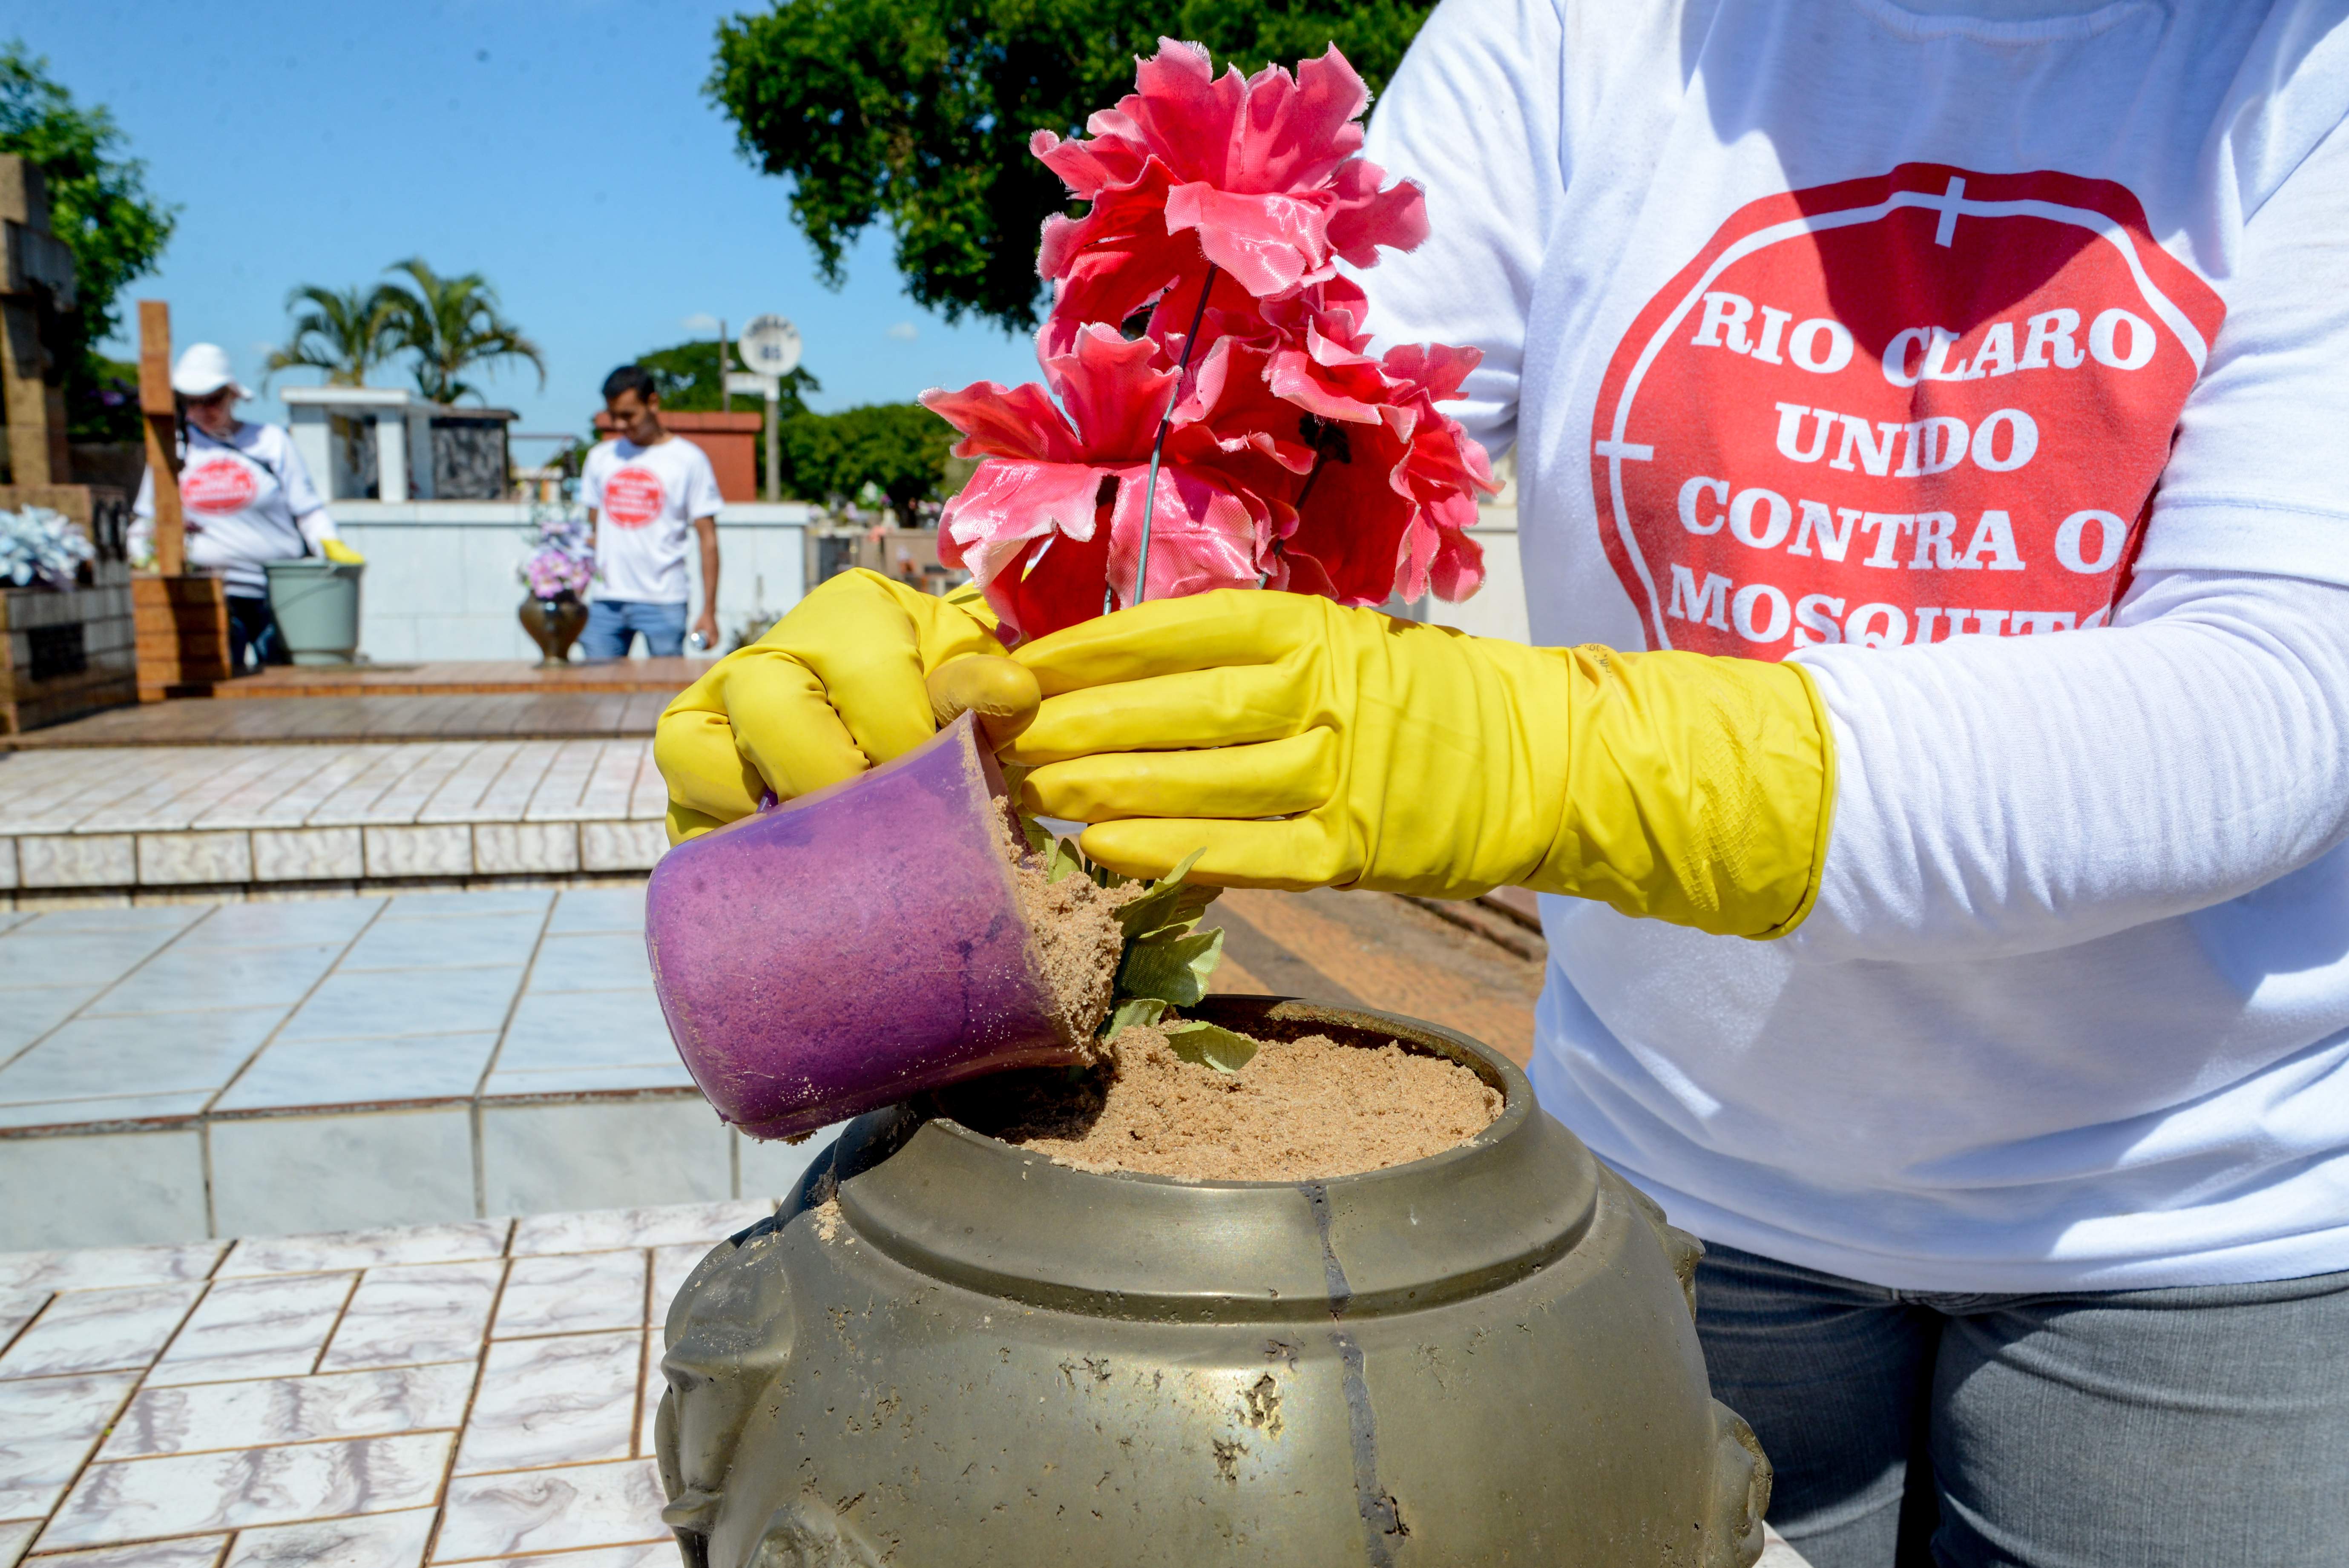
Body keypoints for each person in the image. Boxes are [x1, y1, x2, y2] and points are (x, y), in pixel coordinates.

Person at [653, 3, 2349, 1563]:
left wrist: (1546, 753)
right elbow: (1284, 437)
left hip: (2185, 1228)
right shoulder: (1583, 25)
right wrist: (1007, 648)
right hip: (1677, 1189)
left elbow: (2270, 703)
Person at [132, 343, 362, 674]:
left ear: (232, 395)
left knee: (291, 683)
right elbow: (146, 519)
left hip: (278, 593)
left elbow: (307, 509)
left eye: (211, 399)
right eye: (191, 401)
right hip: (211, 594)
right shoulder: (174, 451)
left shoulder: (270, 441)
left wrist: (329, 543)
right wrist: (144, 559)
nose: (201, 410)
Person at [578, 365, 722, 658]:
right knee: (597, 696)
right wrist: (575, 594)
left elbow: (708, 540)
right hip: (606, 601)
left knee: (665, 696)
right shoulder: (599, 458)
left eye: (629, 415)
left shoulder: (689, 460)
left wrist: (709, 611)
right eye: (613, 415)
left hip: (665, 600)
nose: (620, 424)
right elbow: (591, 533)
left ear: (653, 403)